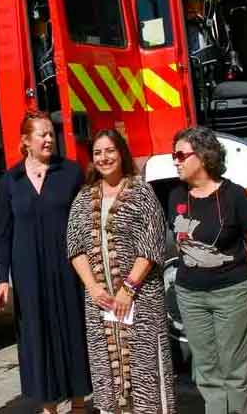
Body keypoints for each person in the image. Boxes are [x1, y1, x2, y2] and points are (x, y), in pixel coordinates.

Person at [66, 129, 176, 414]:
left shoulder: (141, 191)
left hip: (140, 299)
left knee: (145, 372)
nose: (104, 158)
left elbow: (151, 244)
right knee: (107, 374)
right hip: (100, 303)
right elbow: (75, 248)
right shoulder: (83, 198)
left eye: (110, 151)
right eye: (98, 153)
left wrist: (128, 288)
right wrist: (94, 288)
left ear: (122, 153)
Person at [0, 111, 91, 414]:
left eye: (51, 133)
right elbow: (3, 232)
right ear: (25, 141)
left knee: (73, 330)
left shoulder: (71, 173)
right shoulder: (10, 180)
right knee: (37, 335)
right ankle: (49, 407)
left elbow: (85, 223)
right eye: (42, 134)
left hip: (67, 269)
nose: (49, 139)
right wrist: (4, 279)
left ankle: (78, 404)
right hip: (28, 274)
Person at [170, 126, 247, 414]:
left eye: (180, 154)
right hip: (190, 296)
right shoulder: (176, 195)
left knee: (234, 371)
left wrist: (235, 279)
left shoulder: (234, 196)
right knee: (207, 371)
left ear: (203, 156)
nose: (175, 160)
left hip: (231, 295)